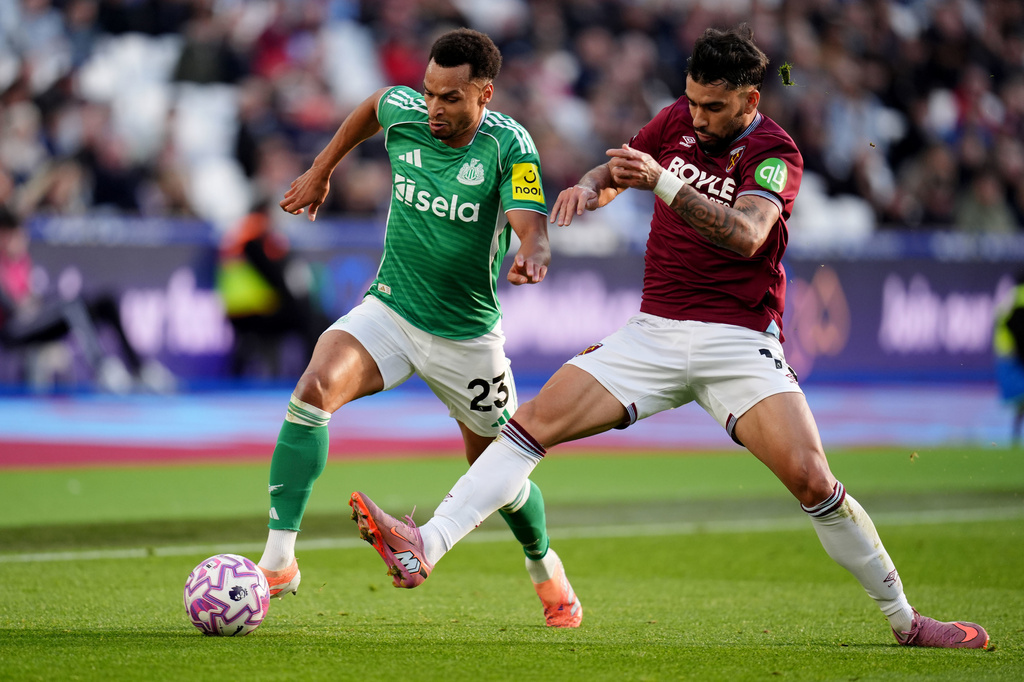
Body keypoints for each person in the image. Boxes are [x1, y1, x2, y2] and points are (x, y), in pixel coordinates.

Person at [349, 25, 989, 648]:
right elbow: (618, 169)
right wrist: (589, 188)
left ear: (750, 100)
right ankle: (424, 545)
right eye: (692, 100)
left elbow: (746, 234)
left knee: (813, 480)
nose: (699, 116)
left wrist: (660, 179)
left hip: (738, 341)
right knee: (529, 424)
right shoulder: (675, 120)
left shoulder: (776, 152)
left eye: (714, 106)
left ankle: (906, 621)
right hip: (653, 334)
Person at [261, 28, 583, 627]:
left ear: (483, 94)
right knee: (312, 392)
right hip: (391, 309)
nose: (434, 107)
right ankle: (279, 562)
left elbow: (527, 216)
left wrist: (533, 249)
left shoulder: (509, 144)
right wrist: (322, 168)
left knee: (498, 475)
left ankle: (544, 565)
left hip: (468, 339)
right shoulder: (404, 112)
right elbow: (370, 108)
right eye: (430, 93)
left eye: (451, 98)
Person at [0, 205, 175, 393]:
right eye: (15, 234)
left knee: (103, 302)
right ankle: (102, 368)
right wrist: (28, 304)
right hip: (12, 331)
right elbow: (14, 306)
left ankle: (139, 368)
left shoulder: (21, 259)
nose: (22, 239)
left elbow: (30, 298)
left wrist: (36, 302)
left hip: (31, 321)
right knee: (70, 307)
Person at [217, 199, 328, 378]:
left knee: (305, 313)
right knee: (308, 318)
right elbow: (276, 280)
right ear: (265, 214)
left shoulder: (238, 236)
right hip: (256, 310)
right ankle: (313, 376)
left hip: (238, 310)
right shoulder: (254, 240)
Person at [993, 270, 1024, 446]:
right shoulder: (1019, 301)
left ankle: (1015, 436)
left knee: (1020, 403)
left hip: (1005, 355)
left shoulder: (1010, 298)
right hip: (1016, 356)